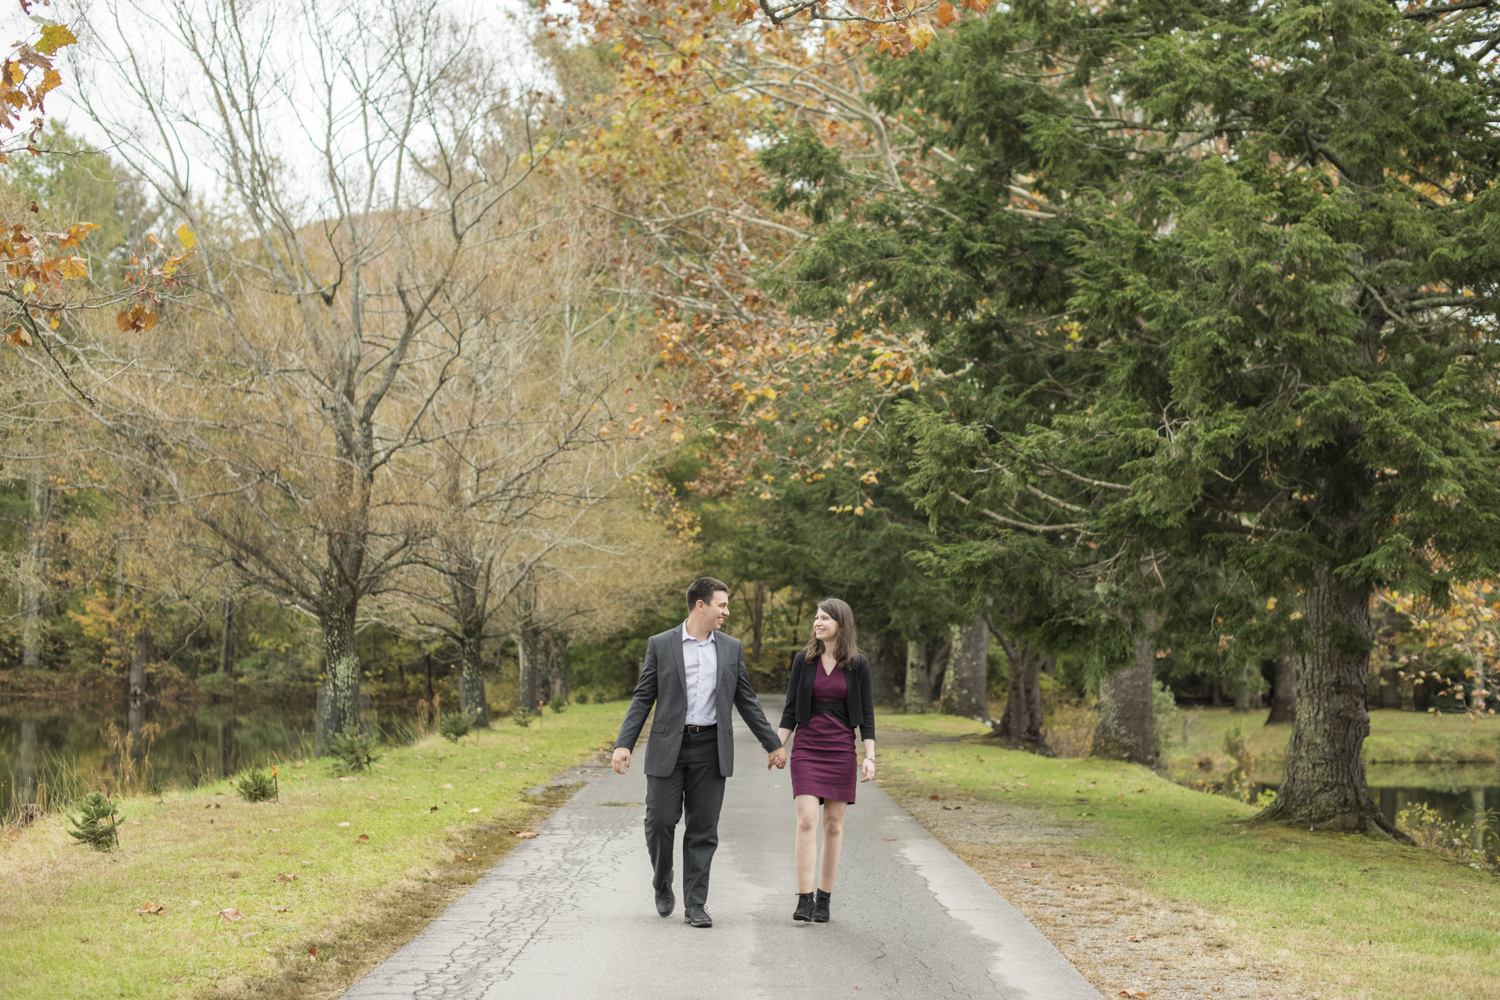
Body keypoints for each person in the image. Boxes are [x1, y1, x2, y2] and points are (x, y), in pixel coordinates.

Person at [612, 577, 788, 928]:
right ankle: (662, 881)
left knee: (703, 829)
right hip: (668, 747)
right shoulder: (661, 644)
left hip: (711, 747)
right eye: (721, 605)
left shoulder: (730, 648)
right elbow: (643, 696)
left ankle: (696, 903)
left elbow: (746, 700)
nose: (726, 612)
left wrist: (773, 743)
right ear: (700, 606)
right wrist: (624, 743)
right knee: (659, 822)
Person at [776, 597, 876, 923]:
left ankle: (824, 899)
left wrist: (869, 756)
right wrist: (777, 746)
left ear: (840, 624)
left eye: (824, 618)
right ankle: (804, 898)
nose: (817, 623)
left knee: (834, 825)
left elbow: (868, 717)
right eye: (816, 617)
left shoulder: (858, 665)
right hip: (807, 747)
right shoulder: (802, 661)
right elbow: (790, 710)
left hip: (841, 750)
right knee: (807, 820)